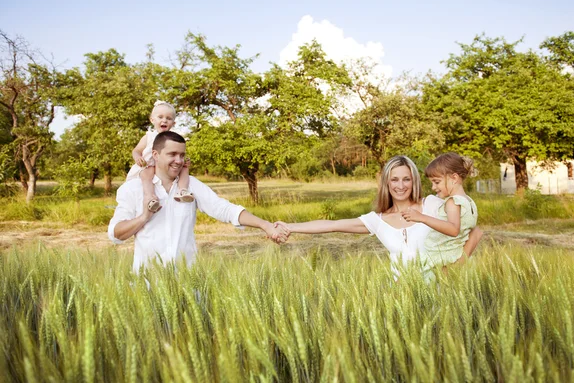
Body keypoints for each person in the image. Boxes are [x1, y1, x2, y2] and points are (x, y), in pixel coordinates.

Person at [109, 131, 289, 272]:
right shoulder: (133, 189)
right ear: (155, 154)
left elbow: (223, 209)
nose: (178, 161)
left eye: (182, 155)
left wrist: (265, 225)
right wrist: (143, 218)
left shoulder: (191, 185)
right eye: (172, 154)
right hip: (147, 287)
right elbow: (116, 234)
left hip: (188, 284)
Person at [275, 156, 482, 278]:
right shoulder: (378, 220)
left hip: (443, 291)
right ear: (386, 183)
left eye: (406, 179)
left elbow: (474, 232)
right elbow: (333, 225)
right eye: (394, 180)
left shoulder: (432, 204)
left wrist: (454, 268)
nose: (400, 186)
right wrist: (290, 227)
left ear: (414, 181)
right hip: (403, 296)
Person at [401, 152, 478, 281]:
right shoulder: (469, 202)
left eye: (437, 182)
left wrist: (422, 217)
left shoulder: (452, 202)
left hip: (440, 260)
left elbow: (454, 229)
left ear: (454, 178)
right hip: (454, 256)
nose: (433, 187)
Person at [127, 100, 193, 213]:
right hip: (148, 165)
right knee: (146, 175)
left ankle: (182, 191)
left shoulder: (173, 138)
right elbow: (136, 150)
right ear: (152, 120)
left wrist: (183, 160)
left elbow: (177, 152)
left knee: (185, 169)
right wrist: (137, 157)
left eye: (169, 118)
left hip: (166, 167)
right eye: (160, 117)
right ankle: (151, 197)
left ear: (173, 123)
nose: (164, 120)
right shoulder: (149, 136)